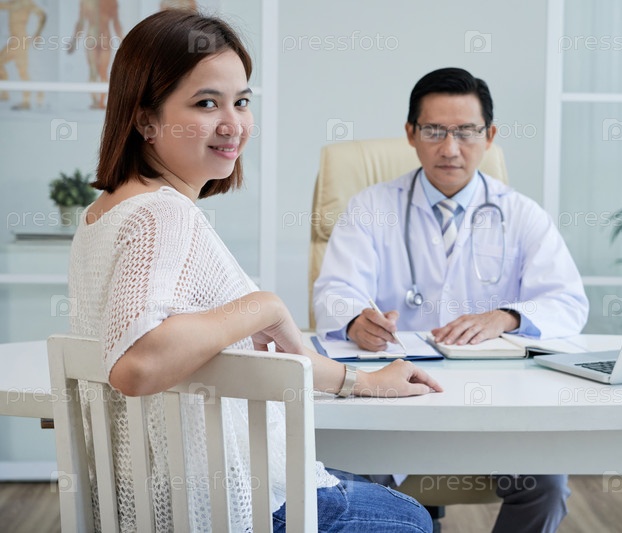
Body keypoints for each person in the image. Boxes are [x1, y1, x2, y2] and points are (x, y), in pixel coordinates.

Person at [69, 10, 441, 532]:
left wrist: (362, 381)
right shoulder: (163, 215)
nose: (233, 124)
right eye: (206, 103)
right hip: (214, 505)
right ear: (146, 120)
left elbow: (233, 357)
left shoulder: (104, 214)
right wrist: (262, 306)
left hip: (151, 498)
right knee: (411, 519)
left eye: (241, 102)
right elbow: (137, 363)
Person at [313, 67, 589, 533]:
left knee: (547, 487)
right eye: (434, 131)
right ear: (411, 133)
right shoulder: (371, 208)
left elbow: (568, 302)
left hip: (496, 401)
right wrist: (357, 320)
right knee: (356, 490)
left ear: (490, 136)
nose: (450, 148)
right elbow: (334, 291)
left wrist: (506, 316)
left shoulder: (522, 214)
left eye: (466, 132)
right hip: (393, 396)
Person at [67, 0, 124, 109]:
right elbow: (81, 23)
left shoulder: (110, 2)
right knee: (94, 70)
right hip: (94, 39)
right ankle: (96, 101)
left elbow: (116, 22)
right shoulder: (86, 2)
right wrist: (74, 41)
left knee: (102, 71)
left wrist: (123, 41)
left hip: (103, 39)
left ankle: (101, 102)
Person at [0, 0, 46, 110]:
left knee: (23, 72)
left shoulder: (26, 3)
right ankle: (5, 93)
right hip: (14, 41)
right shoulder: (13, 3)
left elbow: (42, 15)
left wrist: (38, 33)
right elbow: (3, 6)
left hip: (20, 41)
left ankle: (28, 100)